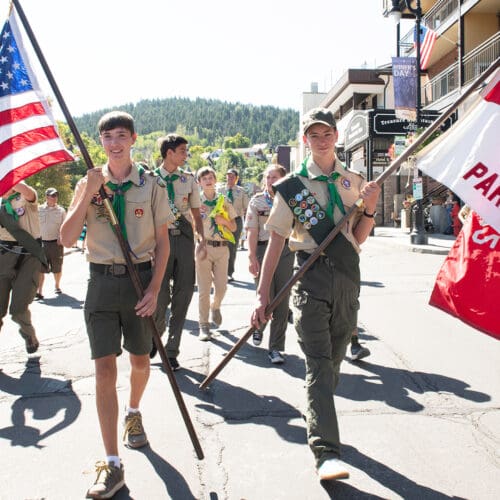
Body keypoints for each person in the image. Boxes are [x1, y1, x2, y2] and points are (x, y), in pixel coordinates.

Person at [251, 108, 380, 482]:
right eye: (314, 135)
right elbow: (275, 242)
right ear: (305, 139)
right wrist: (262, 296)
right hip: (308, 276)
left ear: (336, 137)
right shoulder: (292, 186)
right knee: (319, 363)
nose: (321, 140)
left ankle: (317, 408)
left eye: (327, 134)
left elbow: (355, 240)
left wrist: (369, 210)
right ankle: (326, 451)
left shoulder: (354, 182)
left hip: (346, 278)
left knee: (334, 361)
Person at [60, 111, 172, 499]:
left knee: (140, 362)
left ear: (134, 139)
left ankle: (134, 411)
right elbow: (66, 237)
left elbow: (163, 242)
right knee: (104, 371)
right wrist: (87, 192)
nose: (114, 143)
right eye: (107, 137)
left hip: (141, 282)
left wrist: (156, 290)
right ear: (101, 143)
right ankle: (112, 463)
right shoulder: (88, 182)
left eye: (121, 136)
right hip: (101, 284)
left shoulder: (152, 184)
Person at [152, 134, 206, 370]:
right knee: (159, 296)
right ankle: (156, 334)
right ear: (169, 153)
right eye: (183, 150)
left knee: (184, 294)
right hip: (158, 242)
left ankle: (172, 350)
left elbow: (195, 214)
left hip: (183, 241)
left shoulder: (189, 180)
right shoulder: (150, 180)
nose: (186, 154)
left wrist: (201, 239)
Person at [245, 164, 293, 364]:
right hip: (263, 249)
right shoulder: (257, 202)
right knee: (265, 295)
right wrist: (251, 255)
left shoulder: (291, 199)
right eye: (268, 177)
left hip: (286, 251)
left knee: (282, 298)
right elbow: (252, 231)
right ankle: (259, 327)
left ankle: (276, 348)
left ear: (283, 179)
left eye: (275, 177)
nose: (270, 181)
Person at [0, 181, 43, 354]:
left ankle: (29, 335)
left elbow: (28, 192)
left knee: (18, 309)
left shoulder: (25, 196)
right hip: (4, 254)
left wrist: (10, 175)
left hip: (28, 256)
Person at [196, 166, 237, 341]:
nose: (208, 180)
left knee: (222, 287)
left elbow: (234, 227)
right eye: (204, 178)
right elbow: (191, 228)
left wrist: (224, 220)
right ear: (199, 182)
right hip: (203, 248)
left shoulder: (224, 201)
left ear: (215, 179)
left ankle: (216, 306)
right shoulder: (195, 202)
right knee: (204, 290)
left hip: (221, 248)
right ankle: (203, 326)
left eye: (210, 177)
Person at [218, 168, 249, 281]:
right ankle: (219, 272)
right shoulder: (219, 190)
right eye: (228, 176)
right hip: (221, 220)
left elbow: (247, 207)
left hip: (235, 220)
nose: (229, 178)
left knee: (232, 247)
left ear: (236, 178)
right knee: (220, 245)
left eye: (232, 176)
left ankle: (229, 272)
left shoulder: (241, 191)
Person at [37, 187, 66, 298]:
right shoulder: (39, 209)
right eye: (52, 195)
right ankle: (39, 291)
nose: (55, 198)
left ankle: (57, 286)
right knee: (40, 268)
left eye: (56, 195)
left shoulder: (61, 210)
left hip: (56, 244)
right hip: (42, 243)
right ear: (47, 197)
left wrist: (61, 237)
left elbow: (64, 226)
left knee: (57, 267)